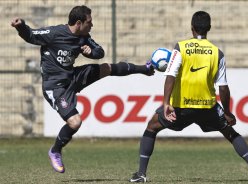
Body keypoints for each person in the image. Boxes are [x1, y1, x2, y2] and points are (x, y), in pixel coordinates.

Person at [11, 5, 154, 173]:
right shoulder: (55, 33)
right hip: (55, 86)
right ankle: (55, 150)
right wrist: (21, 26)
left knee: (106, 68)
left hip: (73, 77)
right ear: (78, 23)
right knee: (75, 122)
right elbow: (31, 35)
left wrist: (91, 53)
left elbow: (100, 52)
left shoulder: (84, 37)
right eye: (89, 22)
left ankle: (144, 69)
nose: (91, 25)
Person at [129, 11, 248, 183]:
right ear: (209, 28)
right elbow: (223, 88)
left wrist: (166, 103)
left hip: (181, 107)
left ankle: (141, 174)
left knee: (151, 127)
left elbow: (170, 76)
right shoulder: (218, 53)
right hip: (207, 107)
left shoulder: (180, 47)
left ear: (192, 28)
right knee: (231, 133)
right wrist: (227, 112)